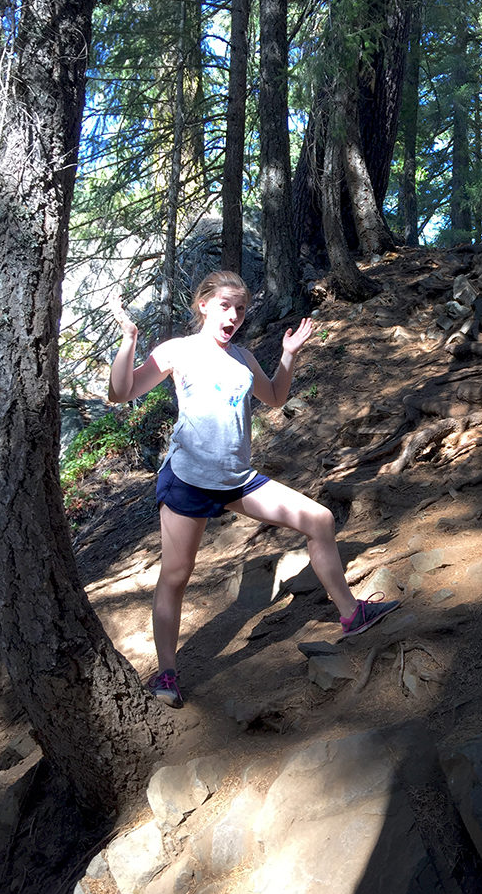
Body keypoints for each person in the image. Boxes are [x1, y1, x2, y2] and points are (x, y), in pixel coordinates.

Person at [108, 270, 400, 708]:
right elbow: (120, 392)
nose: (234, 316)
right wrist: (129, 338)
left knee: (319, 519)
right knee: (176, 575)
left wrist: (288, 354)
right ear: (203, 304)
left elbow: (276, 398)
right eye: (225, 305)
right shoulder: (178, 351)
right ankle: (166, 673)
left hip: (237, 479)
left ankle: (351, 614)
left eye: (241, 309)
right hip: (188, 480)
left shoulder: (243, 358)